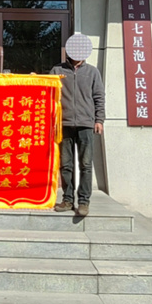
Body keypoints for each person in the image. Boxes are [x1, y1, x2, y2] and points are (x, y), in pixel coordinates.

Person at [50, 33, 105, 217]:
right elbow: (47, 91)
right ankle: (67, 200)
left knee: (85, 164)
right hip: (63, 123)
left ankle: (83, 202)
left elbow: (99, 97)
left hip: (86, 124)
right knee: (66, 164)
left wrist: (99, 120)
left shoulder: (93, 72)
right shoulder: (57, 70)